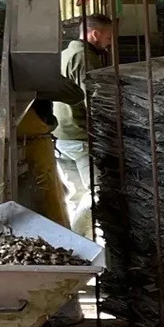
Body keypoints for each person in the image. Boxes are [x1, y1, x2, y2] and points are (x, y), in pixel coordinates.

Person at [50, 14, 113, 239]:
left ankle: (77, 240)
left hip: (61, 134)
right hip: (79, 135)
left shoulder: (66, 53)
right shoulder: (85, 58)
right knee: (97, 193)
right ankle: (80, 240)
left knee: (76, 194)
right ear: (94, 34)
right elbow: (92, 101)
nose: (109, 42)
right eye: (107, 36)